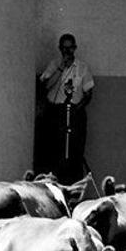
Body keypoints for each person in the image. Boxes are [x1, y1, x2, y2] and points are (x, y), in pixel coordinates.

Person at [36, 33, 94, 183]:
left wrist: (77, 110)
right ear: (60, 49)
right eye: (64, 48)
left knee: (74, 152)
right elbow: (46, 86)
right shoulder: (54, 65)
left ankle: (73, 183)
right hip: (56, 113)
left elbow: (88, 93)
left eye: (70, 48)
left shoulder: (82, 68)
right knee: (55, 151)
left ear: (75, 48)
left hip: (75, 113)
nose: (67, 52)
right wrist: (61, 69)